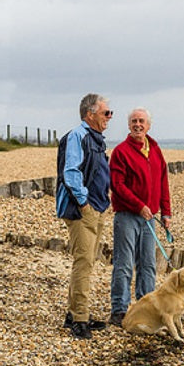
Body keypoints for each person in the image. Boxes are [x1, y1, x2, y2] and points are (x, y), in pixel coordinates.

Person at [56, 93, 113, 340]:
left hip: (97, 208)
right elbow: (70, 173)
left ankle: (75, 314)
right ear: (90, 114)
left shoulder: (95, 138)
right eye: (106, 113)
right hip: (83, 212)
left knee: (88, 262)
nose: (109, 117)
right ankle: (79, 320)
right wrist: (85, 205)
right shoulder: (77, 137)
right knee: (84, 264)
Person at [108, 108, 172, 326]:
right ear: (129, 125)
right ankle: (119, 309)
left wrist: (166, 212)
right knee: (124, 264)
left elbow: (163, 182)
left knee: (148, 264)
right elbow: (117, 186)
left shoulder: (155, 149)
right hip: (127, 215)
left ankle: (147, 307)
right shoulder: (121, 152)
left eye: (141, 121)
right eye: (134, 121)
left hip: (149, 218)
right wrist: (139, 206)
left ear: (148, 125)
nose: (137, 125)